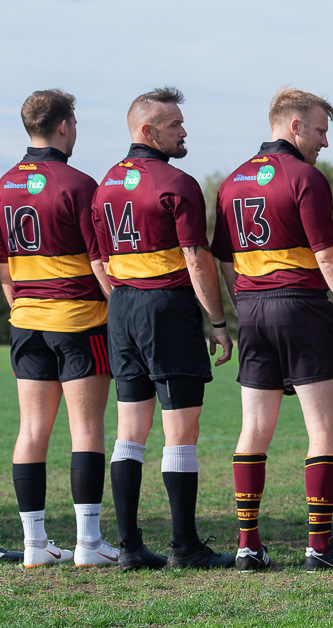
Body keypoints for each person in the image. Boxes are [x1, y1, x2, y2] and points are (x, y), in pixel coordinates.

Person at [211, 88, 333, 573]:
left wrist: (244, 303)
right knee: (323, 427)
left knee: (254, 429)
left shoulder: (231, 181)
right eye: (321, 130)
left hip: (253, 309)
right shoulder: (305, 177)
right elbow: (328, 255)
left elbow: (223, 258)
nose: (325, 142)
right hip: (302, 307)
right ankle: (320, 548)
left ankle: (248, 546)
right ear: (295, 126)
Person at [92, 87, 234, 570]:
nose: (184, 131)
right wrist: (217, 321)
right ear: (147, 131)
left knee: (129, 431)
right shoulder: (177, 182)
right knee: (181, 430)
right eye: (175, 124)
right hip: (166, 307)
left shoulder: (106, 183)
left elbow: (98, 259)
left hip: (123, 306)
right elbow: (197, 258)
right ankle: (184, 546)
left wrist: (122, 303)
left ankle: (130, 546)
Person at [1, 89, 113, 568]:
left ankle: (34, 545)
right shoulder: (79, 184)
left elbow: (4, 268)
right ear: (65, 125)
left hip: (25, 324)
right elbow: (100, 263)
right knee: (85, 429)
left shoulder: (4, 185)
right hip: (80, 321)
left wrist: (25, 307)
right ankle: (88, 544)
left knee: (31, 429)